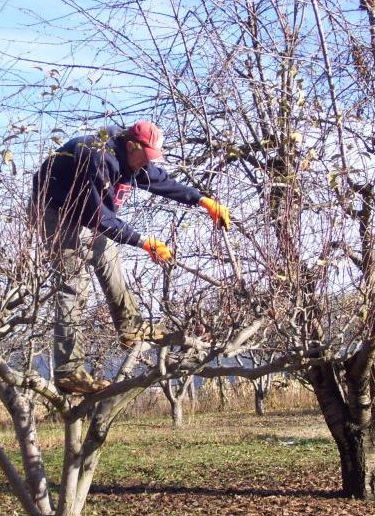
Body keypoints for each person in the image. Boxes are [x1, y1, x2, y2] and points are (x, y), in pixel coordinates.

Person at [31, 121, 230, 394]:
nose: (145, 165)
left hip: (85, 214)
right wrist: (143, 242)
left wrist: (202, 200)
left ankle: (130, 328)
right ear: (131, 146)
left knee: (109, 259)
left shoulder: (133, 160)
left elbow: (161, 181)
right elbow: (98, 217)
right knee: (74, 285)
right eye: (144, 158)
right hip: (54, 211)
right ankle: (68, 372)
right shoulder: (95, 157)